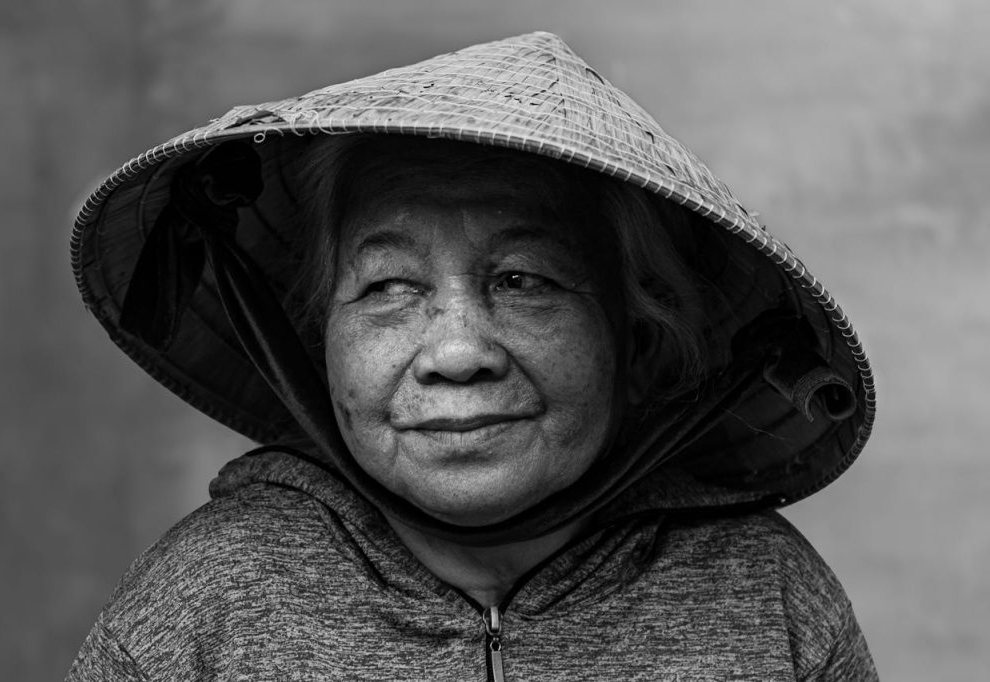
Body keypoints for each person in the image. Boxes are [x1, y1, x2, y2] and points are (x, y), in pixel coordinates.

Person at [67, 32, 879, 680]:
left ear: (633, 340)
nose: (457, 353)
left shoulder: (766, 598)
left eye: (524, 279)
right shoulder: (204, 601)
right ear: (322, 342)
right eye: (388, 286)